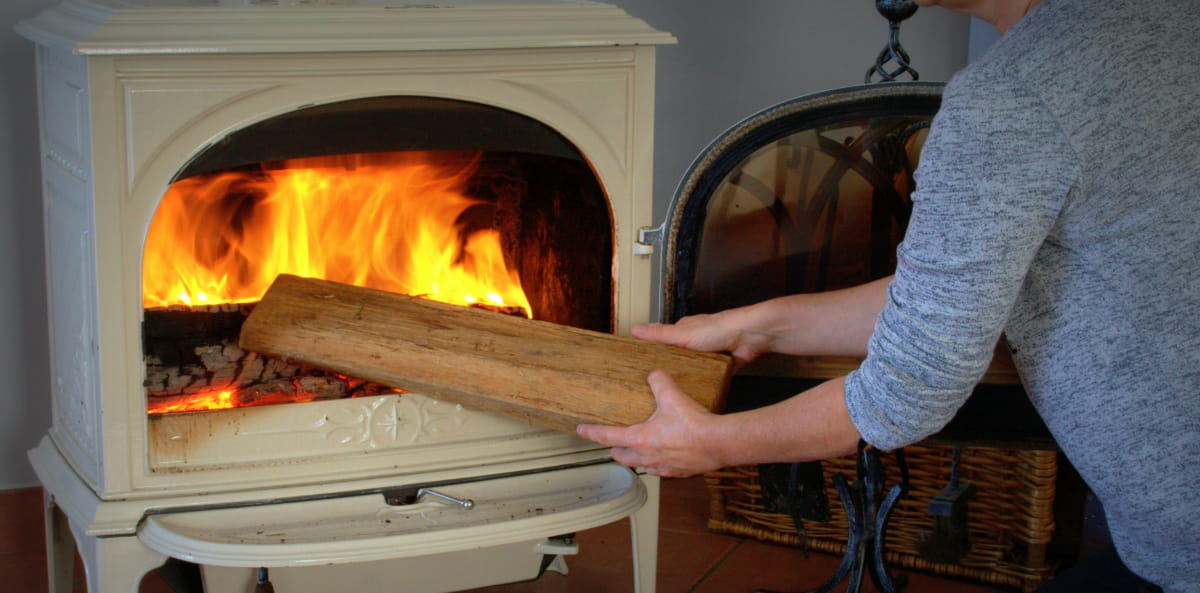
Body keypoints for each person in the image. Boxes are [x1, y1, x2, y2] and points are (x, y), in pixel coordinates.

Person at [576, 1, 1200, 592]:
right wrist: (759, 327)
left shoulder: (1017, 97)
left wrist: (713, 444)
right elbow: (954, 298)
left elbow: (910, 386)